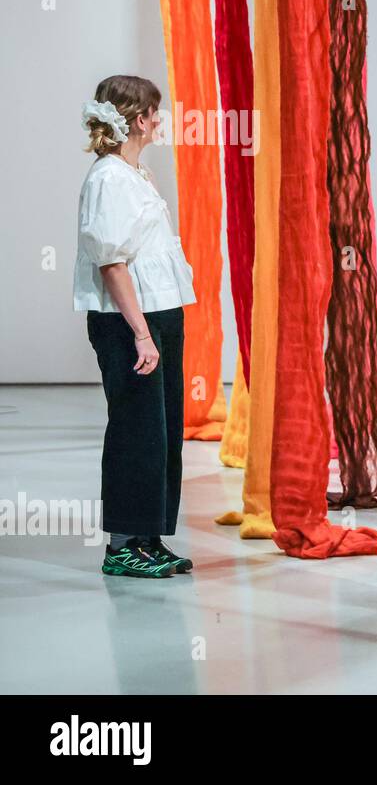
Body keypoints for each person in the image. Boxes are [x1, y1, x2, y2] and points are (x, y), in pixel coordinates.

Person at [74, 75, 196, 578]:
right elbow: (112, 263)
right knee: (135, 430)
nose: (159, 120)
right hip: (129, 322)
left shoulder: (134, 173)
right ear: (139, 118)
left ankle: (148, 539)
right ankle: (122, 545)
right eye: (154, 112)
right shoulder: (107, 177)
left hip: (159, 312)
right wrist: (141, 333)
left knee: (162, 431)